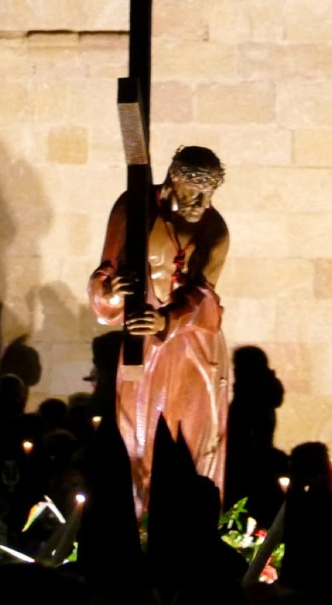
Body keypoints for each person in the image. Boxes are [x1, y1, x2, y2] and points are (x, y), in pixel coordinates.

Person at [87, 145, 230, 510]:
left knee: (194, 439)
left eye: (208, 194)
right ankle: (140, 522)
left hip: (191, 346)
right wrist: (112, 290)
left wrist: (169, 319)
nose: (200, 203)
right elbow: (106, 271)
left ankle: (191, 522)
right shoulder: (135, 207)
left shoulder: (215, 229)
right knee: (139, 432)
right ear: (172, 180)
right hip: (144, 342)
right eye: (193, 192)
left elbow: (205, 296)